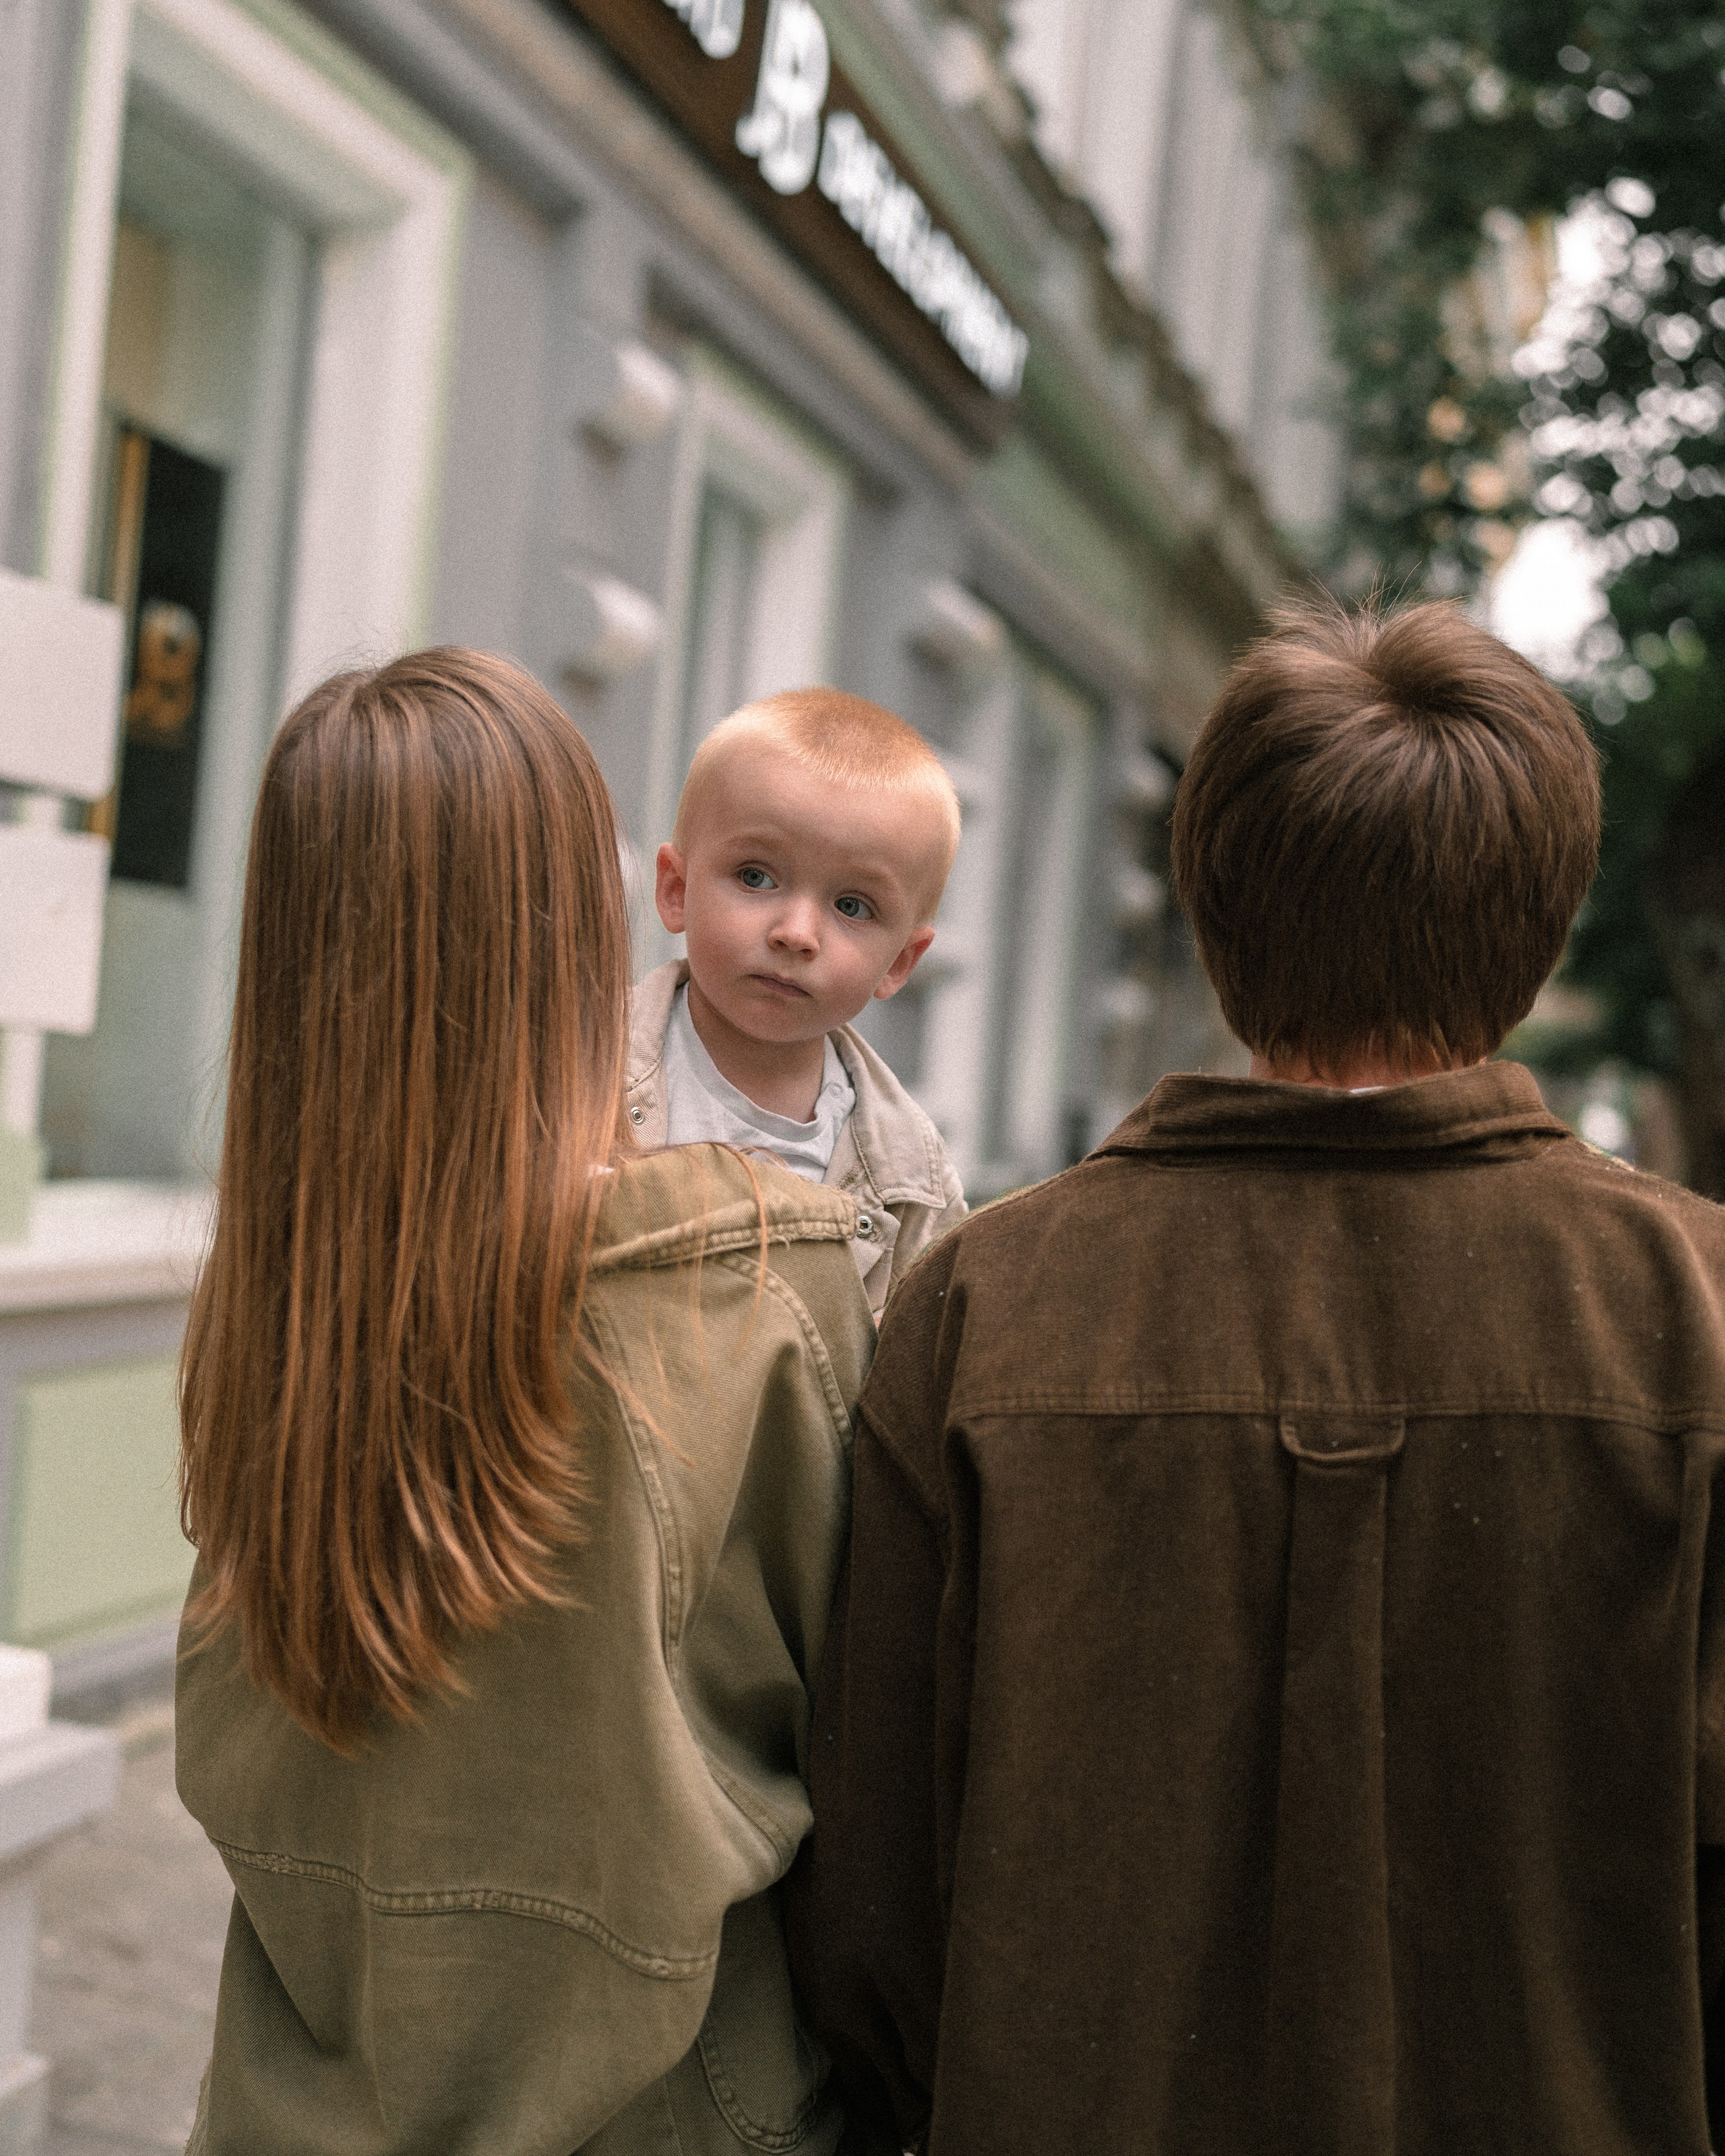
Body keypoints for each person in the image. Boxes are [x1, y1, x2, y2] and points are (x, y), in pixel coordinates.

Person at [788, 598, 1725, 2155]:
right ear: (1540, 923)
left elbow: (872, 1906)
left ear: (1209, 901)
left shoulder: (984, 1305)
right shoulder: (1690, 1314)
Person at [174, 649, 875, 2153]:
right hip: (667, 2101)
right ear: (579, 917)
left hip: (299, 2098)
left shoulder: (265, 1319)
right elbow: (864, 1743)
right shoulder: (747, 1283)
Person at [630, 688, 966, 1319]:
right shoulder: (576, 1062)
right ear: (676, 890)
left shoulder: (910, 1182)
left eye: (852, 907)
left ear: (898, 963)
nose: (796, 933)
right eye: (756, 877)